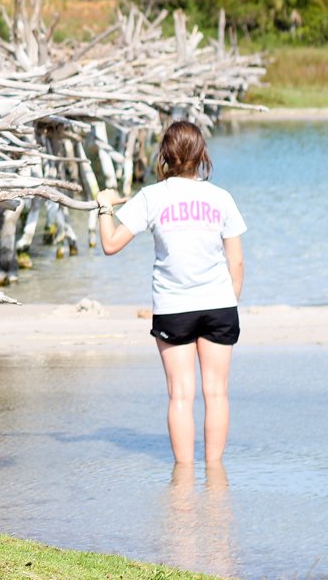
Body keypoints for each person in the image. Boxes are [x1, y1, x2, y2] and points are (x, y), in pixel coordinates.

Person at [96, 121, 246, 467]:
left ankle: (182, 482)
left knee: (180, 395)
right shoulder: (221, 197)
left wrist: (105, 205)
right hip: (219, 306)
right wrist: (229, 301)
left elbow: (110, 244)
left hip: (173, 308)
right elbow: (236, 262)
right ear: (201, 155)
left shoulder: (151, 196)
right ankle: (215, 476)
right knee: (217, 393)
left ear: (165, 155)